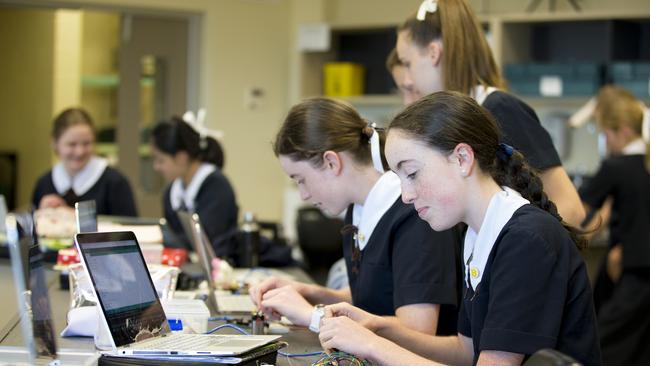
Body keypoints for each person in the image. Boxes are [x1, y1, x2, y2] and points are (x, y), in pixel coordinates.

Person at [319, 91, 601, 366]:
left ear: (462, 159)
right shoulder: (477, 233)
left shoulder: (526, 240)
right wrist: (378, 328)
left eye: (413, 174)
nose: (406, 195)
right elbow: (464, 351)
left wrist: (371, 344)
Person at [249, 97, 461, 335]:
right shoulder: (358, 210)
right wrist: (308, 293)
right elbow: (375, 297)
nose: (303, 194)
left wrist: (314, 316)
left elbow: (417, 331)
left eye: (301, 179)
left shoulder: (414, 214)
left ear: (331, 162)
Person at [395, 0, 584, 227]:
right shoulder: (453, 122)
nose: (406, 79)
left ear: (434, 53)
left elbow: (571, 208)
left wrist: (508, 248)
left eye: (407, 63)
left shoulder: (502, 109)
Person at [578, 85, 650, 366]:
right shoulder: (643, 166)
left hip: (634, 272)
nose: (606, 142)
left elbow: (578, 213)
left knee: (599, 345)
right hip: (636, 269)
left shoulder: (616, 167)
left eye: (605, 134)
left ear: (622, 130)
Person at [151, 116, 238, 251]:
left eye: (161, 160)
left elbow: (204, 240)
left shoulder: (216, 186)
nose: (156, 167)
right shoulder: (171, 192)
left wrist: (157, 236)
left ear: (181, 157)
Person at [32, 108, 137, 216]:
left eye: (86, 143)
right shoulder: (44, 183)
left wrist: (75, 217)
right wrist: (41, 215)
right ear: (54, 143)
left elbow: (130, 229)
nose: (79, 152)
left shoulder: (115, 183)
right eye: (72, 144)